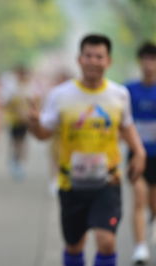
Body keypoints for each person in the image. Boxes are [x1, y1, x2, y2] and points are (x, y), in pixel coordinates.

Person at [28, 34, 146, 266]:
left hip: (107, 182)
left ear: (108, 61)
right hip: (71, 183)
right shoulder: (60, 95)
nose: (93, 61)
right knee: (74, 245)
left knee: (106, 242)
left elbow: (127, 125)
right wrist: (34, 123)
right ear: (79, 60)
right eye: (88, 56)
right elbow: (44, 135)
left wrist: (139, 153)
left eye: (99, 56)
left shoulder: (119, 94)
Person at [125, 41, 156, 264]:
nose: (149, 64)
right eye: (145, 59)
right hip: (137, 155)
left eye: (153, 59)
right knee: (139, 198)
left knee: (153, 203)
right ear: (139, 61)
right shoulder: (128, 90)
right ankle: (140, 248)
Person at [0, 64, 32, 180]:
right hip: (14, 120)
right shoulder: (12, 87)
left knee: (22, 141)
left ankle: (19, 162)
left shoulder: (29, 87)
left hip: (25, 120)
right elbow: (5, 102)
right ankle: (15, 160)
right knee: (15, 141)